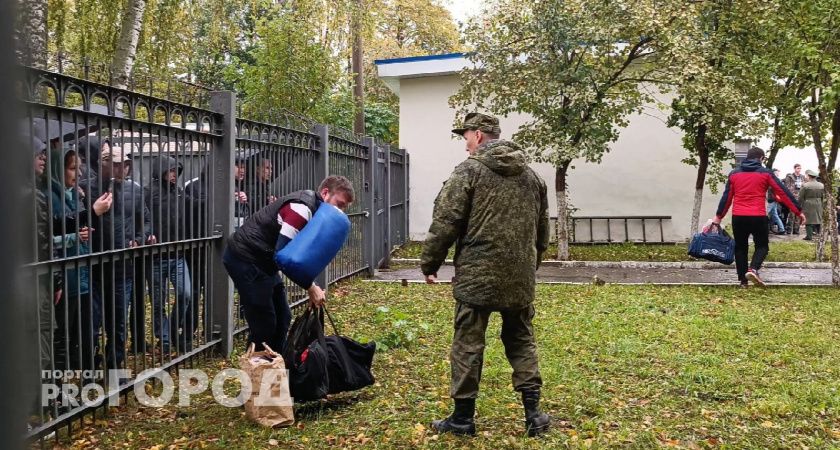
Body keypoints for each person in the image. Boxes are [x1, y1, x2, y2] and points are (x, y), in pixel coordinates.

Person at [421, 112, 551, 437]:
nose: (465, 143)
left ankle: (462, 419)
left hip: (476, 278)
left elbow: (446, 222)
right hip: (520, 279)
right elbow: (542, 233)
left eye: (466, 136)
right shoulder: (533, 178)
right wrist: (529, 268)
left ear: (478, 135)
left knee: (467, 345)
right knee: (521, 340)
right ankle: (534, 415)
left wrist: (430, 264)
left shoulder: (469, 171)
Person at [223, 175, 354, 353]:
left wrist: (311, 285)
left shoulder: (316, 211)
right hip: (246, 258)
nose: (340, 211)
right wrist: (311, 287)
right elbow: (284, 256)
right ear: (325, 193)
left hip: (265, 262)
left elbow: (301, 256)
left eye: (344, 208)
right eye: (339, 204)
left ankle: (276, 365)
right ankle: (258, 369)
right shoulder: (301, 209)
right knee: (264, 324)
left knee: (283, 318)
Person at [86, 143, 155, 370]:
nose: (121, 169)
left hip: (122, 267)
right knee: (92, 323)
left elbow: (145, 220)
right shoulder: (86, 188)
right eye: (116, 164)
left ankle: (115, 365)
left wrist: (139, 238)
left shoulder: (134, 190)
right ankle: (90, 366)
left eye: (125, 164)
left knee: (118, 322)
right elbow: (78, 221)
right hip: (93, 267)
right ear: (102, 164)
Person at [46, 147, 112, 373]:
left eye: (80, 168)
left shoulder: (73, 194)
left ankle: (83, 372)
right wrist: (75, 235)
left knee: (82, 331)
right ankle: (58, 387)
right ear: (58, 169)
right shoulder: (49, 198)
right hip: (64, 276)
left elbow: (76, 223)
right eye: (73, 168)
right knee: (61, 337)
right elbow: (47, 236)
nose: (80, 173)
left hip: (81, 271)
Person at [712, 147, 804, 287]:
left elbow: (727, 197)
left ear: (747, 157)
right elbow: (783, 192)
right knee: (762, 246)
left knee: (740, 248)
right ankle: (753, 269)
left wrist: (719, 216)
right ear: (761, 158)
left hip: (739, 217)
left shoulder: (734, 174)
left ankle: (743, 282)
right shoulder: (766, 173)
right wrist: (798, 211)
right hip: (758, 216)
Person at [145, 156, 199, 353]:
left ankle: (172, 329)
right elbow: (141, 217)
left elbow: (194, 206)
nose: (174, 174)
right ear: (160, 171)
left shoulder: (178, 192)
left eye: (176, 170)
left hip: (178, 255)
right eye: (170, 170)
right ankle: (165, 339)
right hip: (156, 256)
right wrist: (146, 234)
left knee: (185, 294)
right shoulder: (148, 192)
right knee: (158, 302)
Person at [799, 169, 824, 241]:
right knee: (819, 219)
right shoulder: (821, 185)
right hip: (819, 202)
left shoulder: (805, 185)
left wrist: (800, 204)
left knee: (808, 220)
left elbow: (801, 196)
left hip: (808, 203)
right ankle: (821, 235)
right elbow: (823, 196)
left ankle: (809, 236)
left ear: (809, 176)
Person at [783, 164, 805, 234]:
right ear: (794, 168)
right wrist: (792, 194)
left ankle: (796, 230)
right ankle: (789, 229)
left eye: (800, 168)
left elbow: (804, 186)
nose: (799, 170)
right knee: (791, 214)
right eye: (798, 168)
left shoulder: (802, 177)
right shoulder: (790, 177)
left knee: (798, 214)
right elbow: (787, 187)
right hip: (792, 197)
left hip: (800, 197)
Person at [767, 169, 786, 234]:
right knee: (775, 215)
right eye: (777, 173)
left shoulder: (773, 180)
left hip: (771, 199)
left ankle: (761, 229)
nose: (778, 174)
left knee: (765, 214)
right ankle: (781, 229)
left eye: (778, 173)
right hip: (774, 199)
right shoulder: (777, 180)